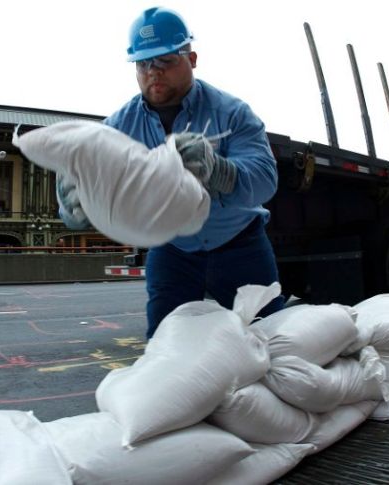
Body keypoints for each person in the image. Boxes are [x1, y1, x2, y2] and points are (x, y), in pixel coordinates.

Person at [57, 6, 285, 338]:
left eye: (165, 60)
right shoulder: (118, 128)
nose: (154, 72)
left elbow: (266, 178)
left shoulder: (232, 113)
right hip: (172, 250)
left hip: (240, 246)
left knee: (271, 340)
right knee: (166, 346)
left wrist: (220, 172)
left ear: (191, 59)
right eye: (144, 63)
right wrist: (73, 206)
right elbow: (84, 177)